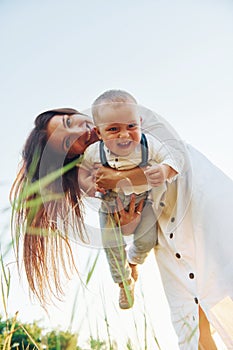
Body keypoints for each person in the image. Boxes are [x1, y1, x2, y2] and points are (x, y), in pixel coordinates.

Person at [10, 92, 233, 349]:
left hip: (195, 199)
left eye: (70, 122)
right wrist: (130, 219)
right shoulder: (94, 165)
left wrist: (116, 179)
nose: (80, 131)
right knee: (191, 314)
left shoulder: (118, 112)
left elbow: (175, 156)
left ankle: (131, 266)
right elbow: (126, 222)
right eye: (69, 142)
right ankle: (127, 273)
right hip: (164, 232)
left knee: (223, 282)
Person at [78, 90, 180, 309]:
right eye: (113, 129)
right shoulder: (94, 152)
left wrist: (164, 170)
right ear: (99, 132)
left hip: (143, 200)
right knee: (110, 244)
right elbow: (83, 173)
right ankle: (123, 282)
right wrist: (90, 184)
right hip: (110, 202)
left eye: (131, 126)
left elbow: (172, 158)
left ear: (140, 123)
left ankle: (134, 261)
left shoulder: (148, 144)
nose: (124, 135)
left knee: (147, 240)